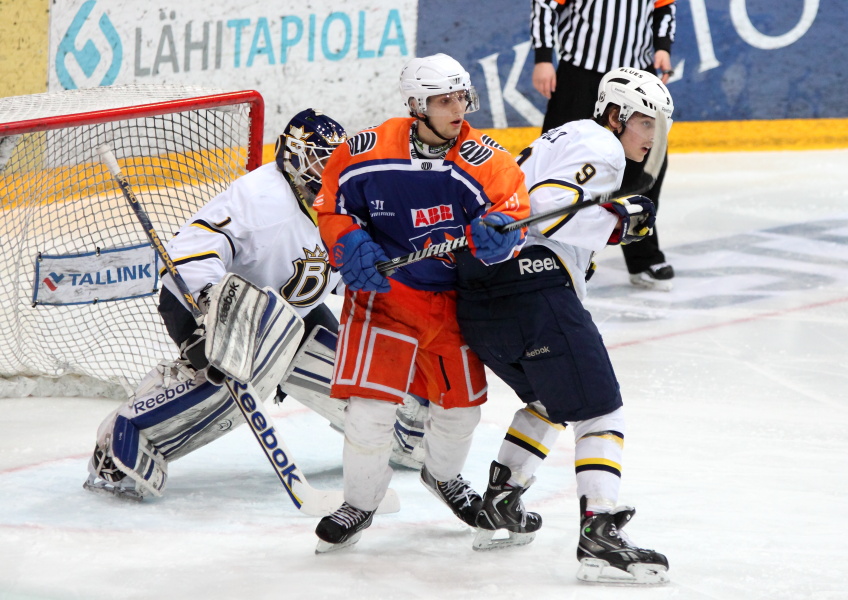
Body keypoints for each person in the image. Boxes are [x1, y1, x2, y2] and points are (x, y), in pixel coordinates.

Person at [455, 68, 672, 585]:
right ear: (616, 115)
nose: (650, 136)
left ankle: (500, 504)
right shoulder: (602, 143)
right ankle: (599, 531)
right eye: (645, 122)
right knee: (600, 410)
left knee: (551, 402)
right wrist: (620, 221)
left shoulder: (563, 136)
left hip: (481, 300)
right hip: (532, 292)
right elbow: (547, 207)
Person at [313, 53, 531, 552]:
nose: (458, 108)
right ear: (415, 105)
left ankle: (443, 476)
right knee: (370, 410)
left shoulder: (486, 160)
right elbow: (331, 205)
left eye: (462, 96)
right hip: (385, 297)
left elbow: (514, 212)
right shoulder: (365, 151)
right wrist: (345, 240)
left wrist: (504, 237)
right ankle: (360, 503)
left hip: (456, 302)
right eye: (443, 99)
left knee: (460, 412)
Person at [84, 109, 350, 499]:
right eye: (320, 162)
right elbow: (187, 251)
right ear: (293, 155)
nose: (329, 174)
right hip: (209, 307)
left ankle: (399, 439)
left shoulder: (338, 204)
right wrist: (211, 309)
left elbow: (344, 276)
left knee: (355, 378)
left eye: (336, 164)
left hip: (288, 314)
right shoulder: (261, 201)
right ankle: (123, 443)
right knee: (229, 386)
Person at [531, 0, 677, 290]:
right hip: (581, 75)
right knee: (560, 159)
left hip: (637, 82)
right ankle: (541, 254)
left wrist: (662, 46)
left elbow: (664, 6)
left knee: (647, 168)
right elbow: (545, 4)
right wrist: (543, 58)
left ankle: (642, 255)